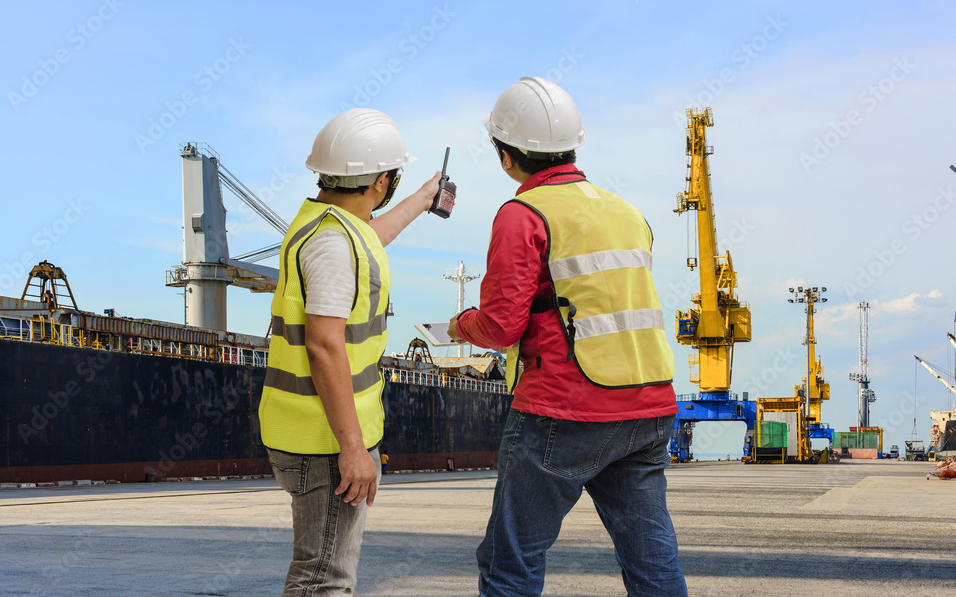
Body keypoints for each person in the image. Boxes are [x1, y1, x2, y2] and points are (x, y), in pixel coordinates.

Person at [448, 77, 686, 597]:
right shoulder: (627, 212)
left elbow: (500, 326)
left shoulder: (523, 215)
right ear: (572, 145)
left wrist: (456, 325)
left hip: (564, 410)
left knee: (511, 561)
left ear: (504, 154)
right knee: (650, 557)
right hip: (648, 407)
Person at [260, 108, 441, 596]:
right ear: (382, 180)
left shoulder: (328, 225)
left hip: (310, 431)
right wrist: (354, 449)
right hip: (325, 440)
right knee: (324, 579)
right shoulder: (335, 245)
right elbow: (323, 346)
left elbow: (369, 237)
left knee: (321, 571)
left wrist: (423, 201)